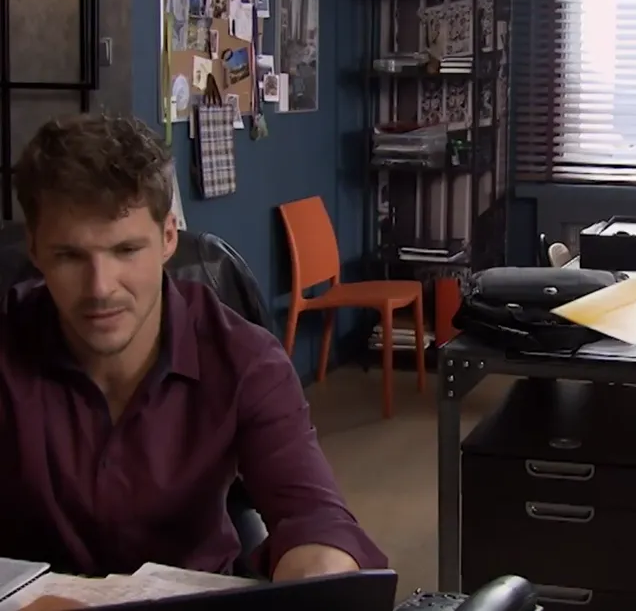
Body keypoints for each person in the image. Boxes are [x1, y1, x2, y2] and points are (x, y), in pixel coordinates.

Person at [0, 113, 387, 580]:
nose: (100, 288)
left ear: (168, 238)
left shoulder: (244, 359)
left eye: (126, 250)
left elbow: (313, 517)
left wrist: (320, 574)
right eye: (69, 256)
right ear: (35, 250)